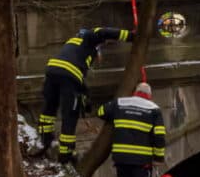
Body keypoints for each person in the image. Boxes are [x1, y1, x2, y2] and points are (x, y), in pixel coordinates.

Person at [36, 27, 134, 163]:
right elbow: (102, 32)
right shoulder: (88, 38)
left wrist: (84, 94)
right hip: (69, 75)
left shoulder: (72, 44)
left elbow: (78, 79)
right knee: (70, 114)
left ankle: (45, 140)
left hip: (52, 72)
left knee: (49, 107)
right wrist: (131, 36)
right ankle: (66, 154)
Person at [97, 82, 167, 177]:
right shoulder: (154, 109)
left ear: (135, 91)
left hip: (121, 158)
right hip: (142, 161)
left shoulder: (120, 103)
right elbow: (159, 136)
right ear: (149, 95)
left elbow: (101, 111)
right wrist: (158, 158)